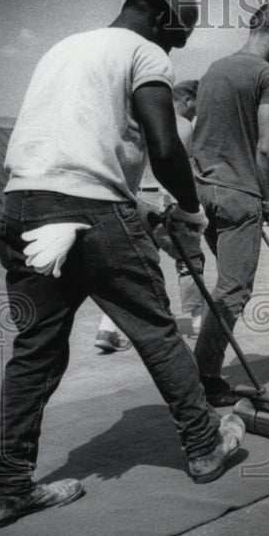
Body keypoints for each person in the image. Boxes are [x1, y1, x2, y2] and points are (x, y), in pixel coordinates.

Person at [0, 0, 246, 532]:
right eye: (180, 35)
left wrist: (133, 204)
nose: (178, 48)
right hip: (94, 210)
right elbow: (164, 147)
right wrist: (190, 206)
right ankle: (204, 444)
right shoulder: (145, 52)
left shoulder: (62, 48)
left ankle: (2, 487)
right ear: (163, 20)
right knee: (154, 328)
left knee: (36, 349)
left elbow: (74, 144)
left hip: (23, 206)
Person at [190, 2, 269, 407]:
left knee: (223, 284)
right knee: (233, 290)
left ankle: (199, 367)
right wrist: (267, 199)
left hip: (204, 191)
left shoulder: (214, 69)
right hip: (239, 194)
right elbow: (267, 148)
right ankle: (202, 377)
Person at [93, 80, 204, 352]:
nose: (195, 115)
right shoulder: (183, 124)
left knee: (136, 266)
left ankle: (107, 328)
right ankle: (199, 324)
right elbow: (179, 167)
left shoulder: (145, 118)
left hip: (137, 197)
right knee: (190, 260)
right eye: (195, 108)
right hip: (165, 200)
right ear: (187, 100)